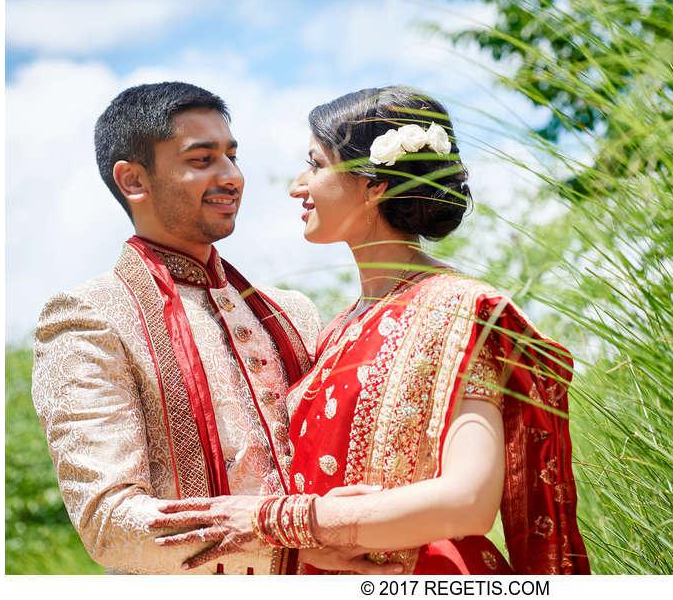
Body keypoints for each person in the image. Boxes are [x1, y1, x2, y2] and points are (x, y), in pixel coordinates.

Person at [150, 86, 591, 574]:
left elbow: (468, 501)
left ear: (373, 184)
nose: (298, 185)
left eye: (316, 164)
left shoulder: (459, 309)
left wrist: (278, 520)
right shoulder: (335, 329)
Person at [32, 82, 392, 575]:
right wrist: (290, 542)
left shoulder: (290, 312)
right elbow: (109, 521)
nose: (231, 176)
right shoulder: (90, 316)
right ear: (134, 180)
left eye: (232, 155)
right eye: (202, 160)